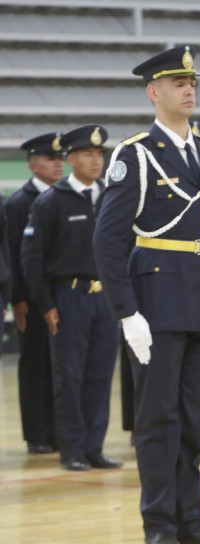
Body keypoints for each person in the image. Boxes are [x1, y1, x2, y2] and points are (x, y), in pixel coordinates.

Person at [93, 45, 200, 544]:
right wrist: (126, 311)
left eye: (193, 81)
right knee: (158, 418)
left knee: (196, 418)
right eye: (178, 82)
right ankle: (158, 520)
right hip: (156, 303)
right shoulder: (135, 154)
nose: (189, 89)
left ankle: (191, 520)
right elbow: (109, 241)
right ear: (153, 92)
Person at [21, 124, 120, 471]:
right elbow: (32, 259)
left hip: (105, 299)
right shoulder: (51, 201)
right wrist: (46, 304)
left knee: (100, 375)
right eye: (88, 155)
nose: (96, 161)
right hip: (69, 297)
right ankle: (73, 449)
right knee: (71, 376)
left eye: (99, 155)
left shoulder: (111, 196)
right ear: (72, 158)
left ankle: (94, 446)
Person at [5, 132, 62, 454]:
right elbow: (13, 254)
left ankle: (59, 430)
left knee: (62, 369)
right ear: (32, 164)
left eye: (60, 158)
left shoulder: (66, 196)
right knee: (36, 365)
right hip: (32, 298)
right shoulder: (18, 203)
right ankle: (37, 434)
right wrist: (19, 299)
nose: (58, 164)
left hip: (63, 296)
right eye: (50, 158)